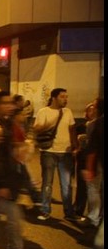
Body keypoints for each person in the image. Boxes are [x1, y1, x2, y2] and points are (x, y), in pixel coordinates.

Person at [0, 91, 35, 249]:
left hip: (8, 181)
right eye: (5, 103)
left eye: (11, 103)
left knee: (12, 217)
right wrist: (1, 184)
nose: (10, 106)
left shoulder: (10, 125)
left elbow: (15, 155)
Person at [33, 88, 83, 222]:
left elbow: (72, 130)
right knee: (47, 183)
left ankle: (69, 213)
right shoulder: (43, 111)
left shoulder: (68, 112)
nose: (65, 99)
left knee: (66, 184)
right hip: (48, 152)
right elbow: (36, 128)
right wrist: (49, 123)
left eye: (66, 97)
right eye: (62, 97)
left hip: (65, 153)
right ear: (54, 98)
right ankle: (45, 211)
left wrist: (75, 146)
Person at [81, 98, 104, 249]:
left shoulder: (98, 123)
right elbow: (92, 148)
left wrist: (90, 167)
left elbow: (92, 148)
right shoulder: (97, 123)